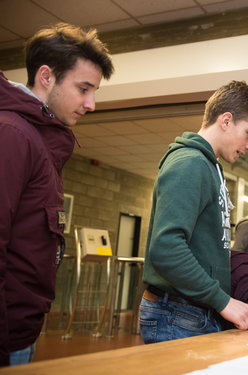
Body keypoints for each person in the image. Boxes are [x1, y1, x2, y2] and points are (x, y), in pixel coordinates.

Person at [0, 23, 113, 366]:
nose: (91, 103)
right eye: (83, 89)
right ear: (46, 77)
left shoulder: (40, 139)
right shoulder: (12, 135)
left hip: (22, 330)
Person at [140, 80, 248, 344]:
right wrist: (224, 301)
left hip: (196, 309)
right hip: (178, 313)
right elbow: (166, 248)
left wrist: (246, 296)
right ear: (226, 120)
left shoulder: (211, 166)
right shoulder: (190, 164)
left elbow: (209, 250)